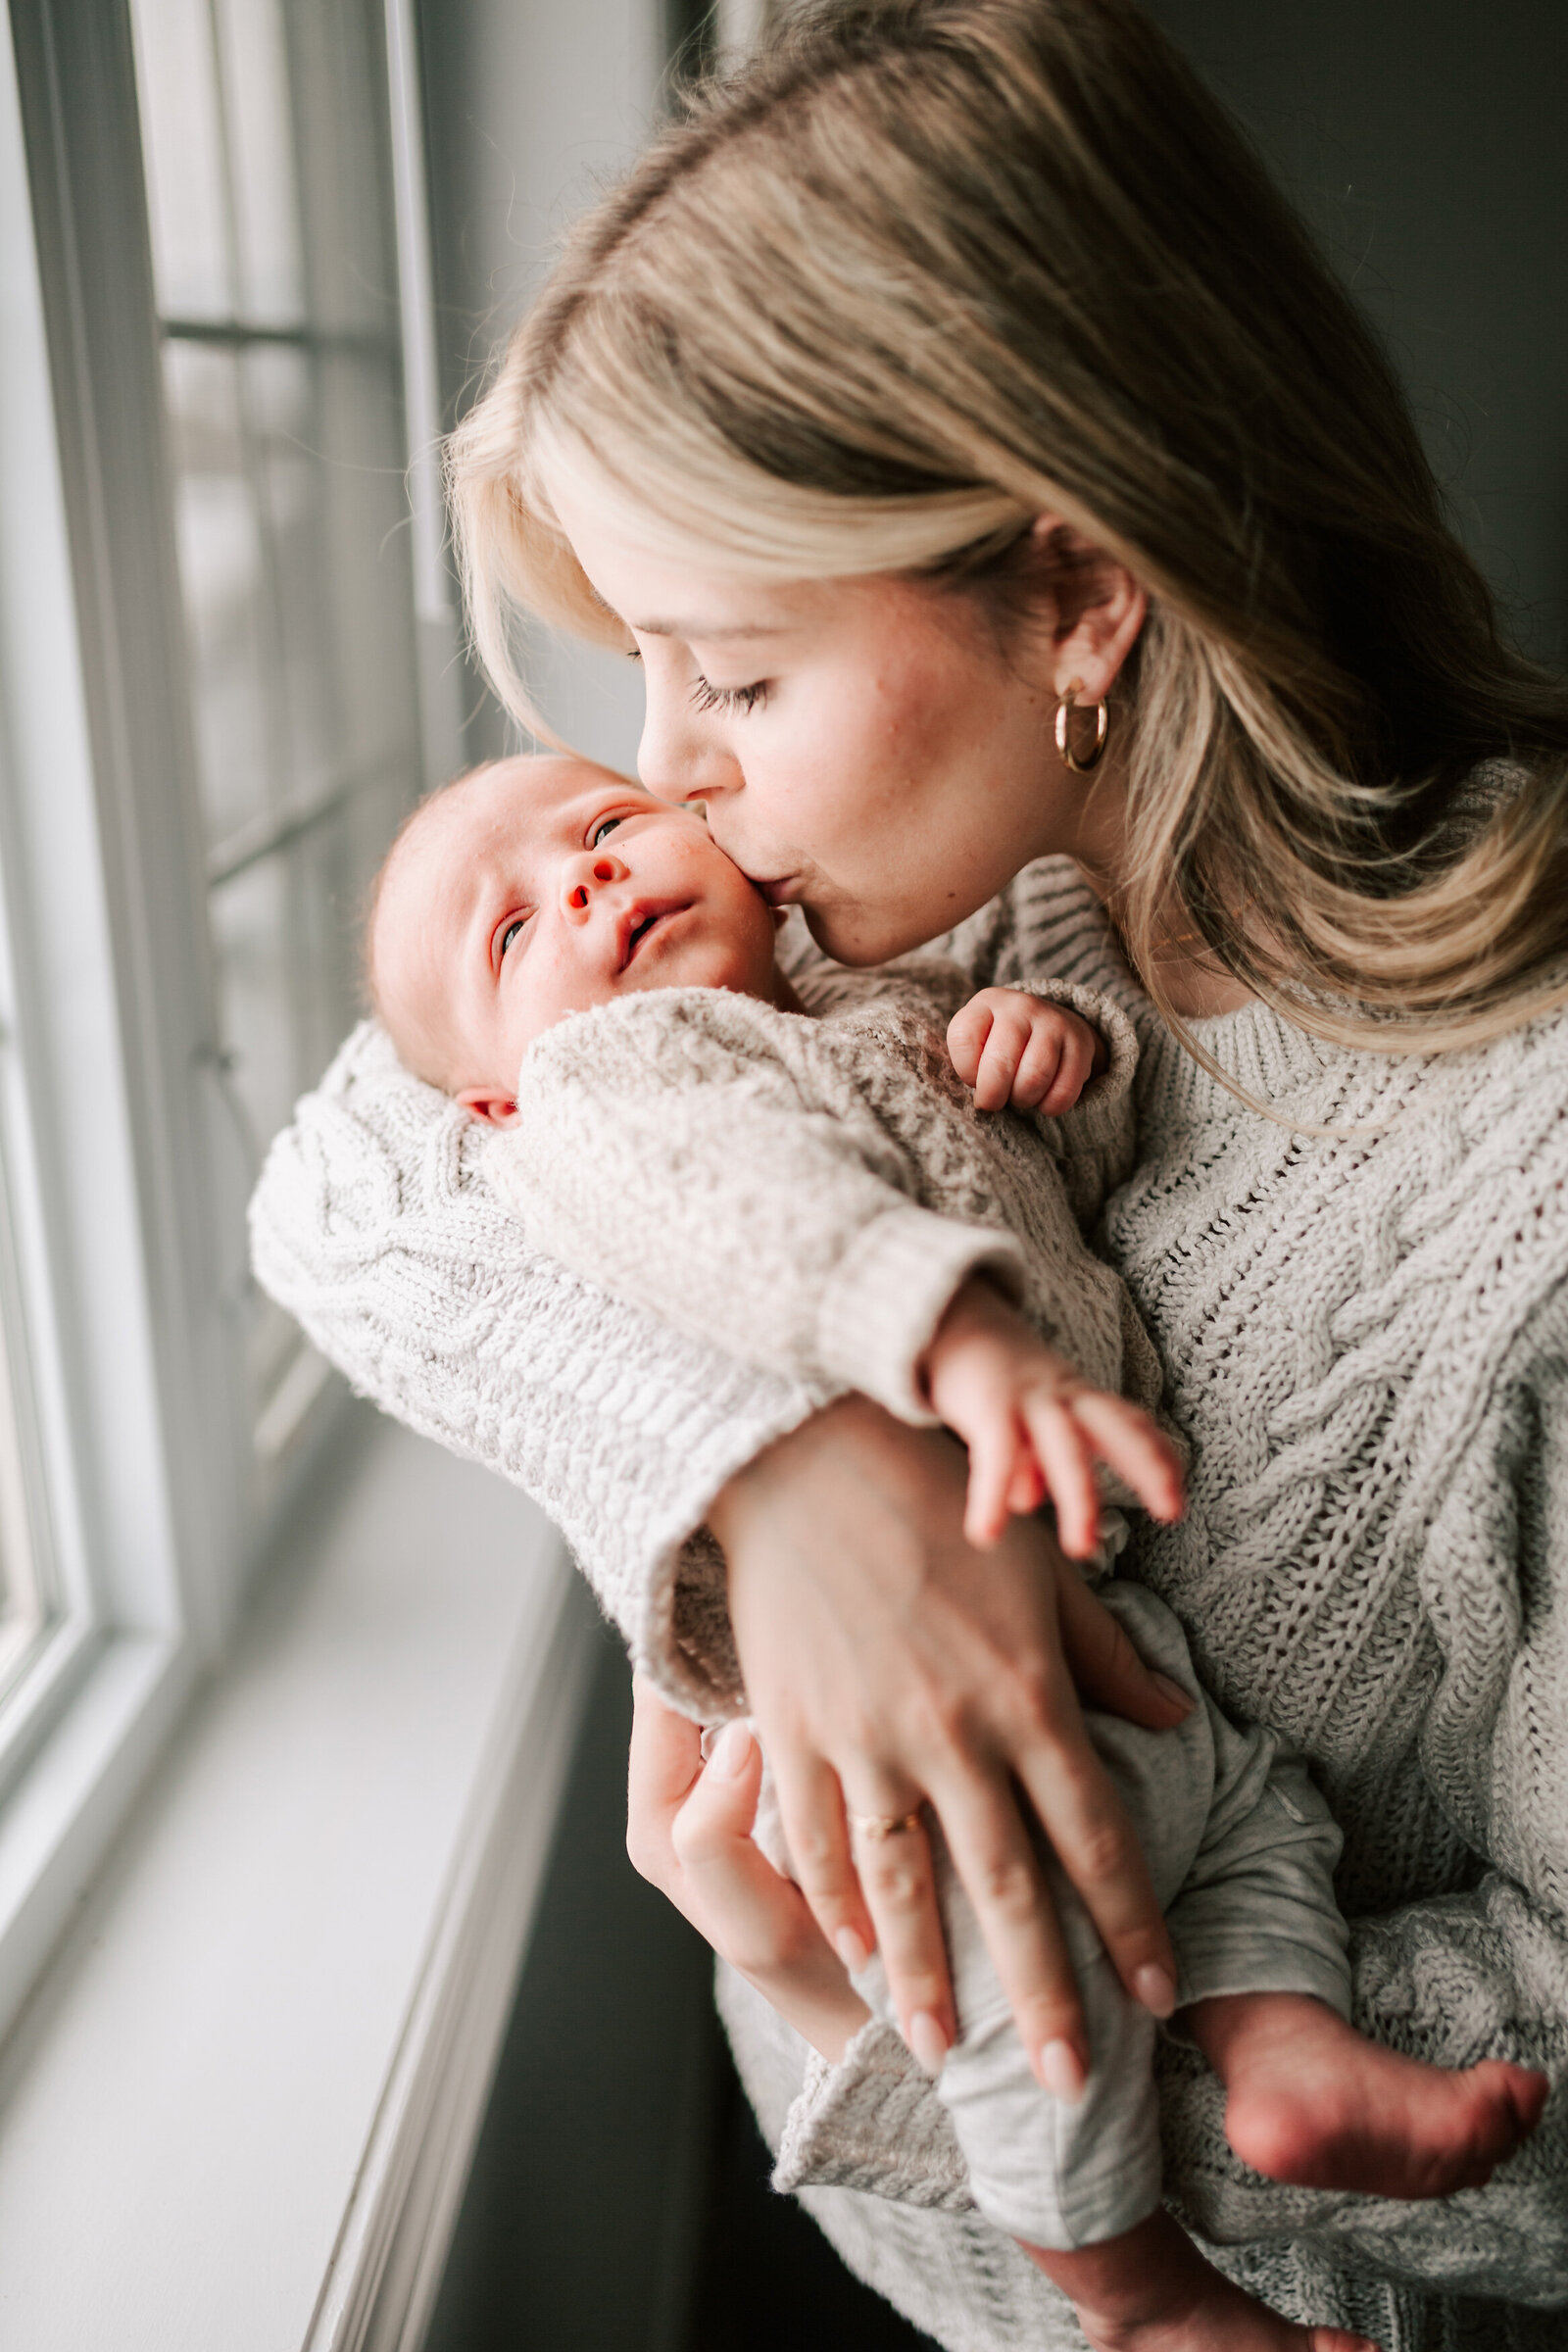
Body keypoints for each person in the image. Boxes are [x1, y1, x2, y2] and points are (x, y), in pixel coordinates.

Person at [253, 1, 1568, 2343]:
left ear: (1076, 595)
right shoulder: (883, 936)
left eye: (730, 680)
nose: (660, 780)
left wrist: (935, 2028)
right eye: (637, 667)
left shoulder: (1517, 1165)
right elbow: (346, 1179)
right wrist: (793, 1476)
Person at [363, 747, 1541, 2352]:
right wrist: (944, 1345)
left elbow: (1071, 1170)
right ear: (494, 1098)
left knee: (1250, 1817)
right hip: (892, 1710)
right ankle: (1146, 2302)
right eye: (511, 935)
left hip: (1094, 1608)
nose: (584, 877)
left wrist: (1059, 1051)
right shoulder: (615, 1091)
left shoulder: (872, 995)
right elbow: (751, 1214)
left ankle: (1284, 2058)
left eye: (608, 826)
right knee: (1017, 1983)